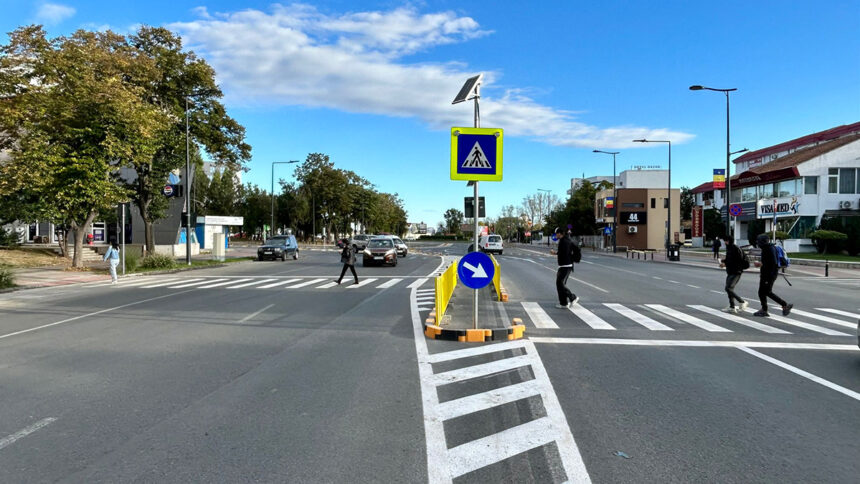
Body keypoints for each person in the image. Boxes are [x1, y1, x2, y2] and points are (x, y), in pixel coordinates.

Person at [752, 234, 792, 317]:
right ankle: (764, 309)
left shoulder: (769, 249)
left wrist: (761, 264)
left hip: (769, 274)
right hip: (767, 274)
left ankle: (784, 305)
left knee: (766, 292)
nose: (758, 243)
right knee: (762, 292)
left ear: (762, 242)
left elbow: (773, 262)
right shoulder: (768, 248)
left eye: (759, 241)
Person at [719, 238, 748, 314]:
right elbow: (730, 259)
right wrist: (724, 261)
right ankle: (732, 307)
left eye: (726, 240)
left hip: (736, 272)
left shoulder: (734, 248)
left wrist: (725, 264)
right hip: (731, 271)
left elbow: (736, 261)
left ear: (729, 241)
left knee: (728, 288)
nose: (725, 242)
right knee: (729, 289)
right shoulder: (730, 248)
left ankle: (742, 302)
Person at [554, 227, 580, 309]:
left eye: (556, 234)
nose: (555, 235)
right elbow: (563, 252)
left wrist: (556, 253)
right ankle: (563, 303)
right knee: (560, 284)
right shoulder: (564, 240)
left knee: (560, 284)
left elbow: (564, 252)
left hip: (566, 266)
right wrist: (556, 253)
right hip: (564, 265)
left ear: (559, 233)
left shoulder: (564, 241)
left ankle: (573, 297)